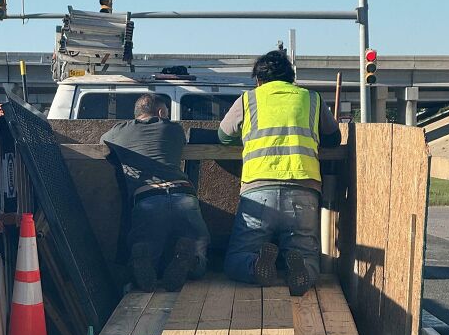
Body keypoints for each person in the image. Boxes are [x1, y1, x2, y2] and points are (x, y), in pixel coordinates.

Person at [218, 50, 342, 296]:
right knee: (307, 254)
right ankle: (302, 270)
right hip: (303, 190)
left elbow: (222, 135)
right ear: (291, 77)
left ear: (258, 80)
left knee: (237, 258)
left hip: (258, 191)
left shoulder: (248, 99)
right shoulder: (311, 99)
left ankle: (255, 267)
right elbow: (334, 138)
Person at [101, 93, 210, 292]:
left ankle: (141, 260)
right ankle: (190, 261)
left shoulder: (118, 131)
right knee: (199, 247)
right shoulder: (173, 129)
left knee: (148, 247)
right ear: (160, 112)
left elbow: (103, 143)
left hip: (147, 198)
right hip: (184, 195)